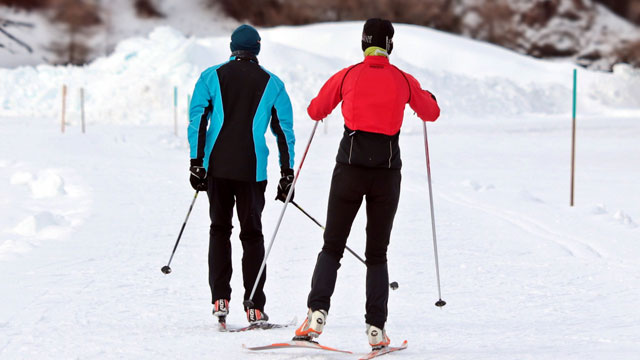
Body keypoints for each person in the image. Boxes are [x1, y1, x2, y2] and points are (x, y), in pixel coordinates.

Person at [294, 18, 440, 348]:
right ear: (389, 45)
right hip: (387, 175)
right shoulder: (403, 79)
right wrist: (427, 96)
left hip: (349, 170)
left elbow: (315, 110)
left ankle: (316, 315)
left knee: (332, 244)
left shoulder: (348, 75)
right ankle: (376, 328)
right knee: (377, 254)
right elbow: (431, 112)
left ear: (363, 43)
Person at [187, 24, 296, 326]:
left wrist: (197, 163)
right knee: (252, 235)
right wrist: (287, 174)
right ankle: (254, 306)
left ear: (232, 47)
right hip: (252, 170)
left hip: (217, 168)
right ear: (257, 48)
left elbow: (198, 120)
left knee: (219, 230)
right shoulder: (272, 83)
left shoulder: (210, 76)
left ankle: (220, 298)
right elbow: (284, 133)